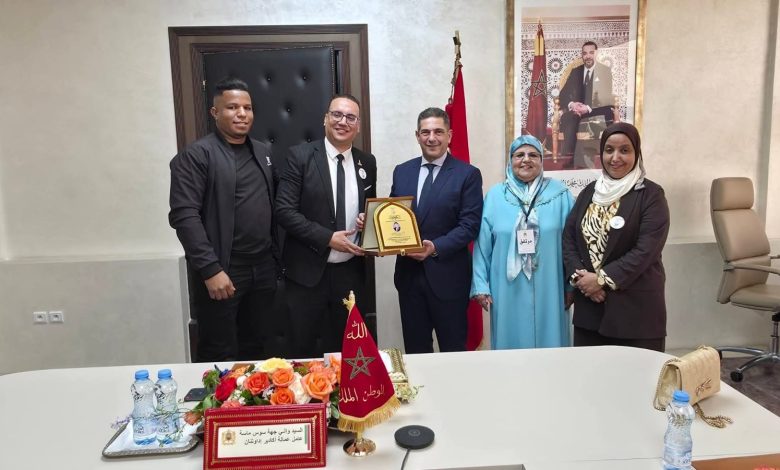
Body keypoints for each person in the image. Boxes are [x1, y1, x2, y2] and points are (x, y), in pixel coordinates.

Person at [169, 77, 281, 362]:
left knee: (259, 348)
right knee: (219, 352)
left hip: (263, 269)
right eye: (232, 107)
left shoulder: (263, 152)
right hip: (223, 270)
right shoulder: (195, 156)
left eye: (247, 108)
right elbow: (184, 216)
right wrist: (210, 270)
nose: (242, 114)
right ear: (215, 112)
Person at [275, 94, 377, 358]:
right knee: (301, 351)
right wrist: (327, 237)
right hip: (306, 275)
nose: (343, 121)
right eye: (337, 114)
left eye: (351, 117)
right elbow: (284, 211)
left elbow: (370, 209)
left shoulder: (367, 162)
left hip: (350, 274)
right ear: (325, 119)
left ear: (358, 126)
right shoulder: (300, 156)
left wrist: (367, 222)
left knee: (349, 352)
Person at [562, 122, 670, 352]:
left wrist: (601, 280)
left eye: (625, 150)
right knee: (590, 373)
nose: (615, 157)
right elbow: (569, 237)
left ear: (636, 153)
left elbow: (645, 250)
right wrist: (581, 279)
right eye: (609, 150)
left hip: (635, 312)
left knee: (638, 374)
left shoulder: (651, 195)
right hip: (590, 310)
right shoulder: (590, 191)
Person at [390, 107, 483, 353]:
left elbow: (470, 225)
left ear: (449, 135)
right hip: (409, 279)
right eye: (425, 132)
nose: (432, 138)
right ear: (417, 135)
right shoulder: (402, 171)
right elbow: (393, 216)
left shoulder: (468, 174)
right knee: (416, 352)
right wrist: (371, 225)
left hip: (449, 280)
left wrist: (434, 247)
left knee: (453, 353)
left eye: (438, 132)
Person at [471, 135, 574, 349]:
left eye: (533, 155)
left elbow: (572, 245)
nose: (526, 159)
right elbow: (482, 246)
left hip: (551, 286)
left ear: (542, 160)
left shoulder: (561, 195)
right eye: (519, 155)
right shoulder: (495, 196)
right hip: (506, 287)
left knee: (551, 344)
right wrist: (481, 285)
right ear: (510, 160)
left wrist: (570, 285)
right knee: (511, 346)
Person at [559, 41, 616, 156]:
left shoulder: (605, 71)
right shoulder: (575, 71)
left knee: (605, 113)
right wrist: (572, 105)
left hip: (597, 110)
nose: (588, 56)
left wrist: (588, 108)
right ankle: (570, 155)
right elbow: (563, 94)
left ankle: (598, 155)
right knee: (568, 118)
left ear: (596, 53)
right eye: (585, 53)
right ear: (582, 55)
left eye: (591, 52)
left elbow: (605, 96)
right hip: (577, 112)